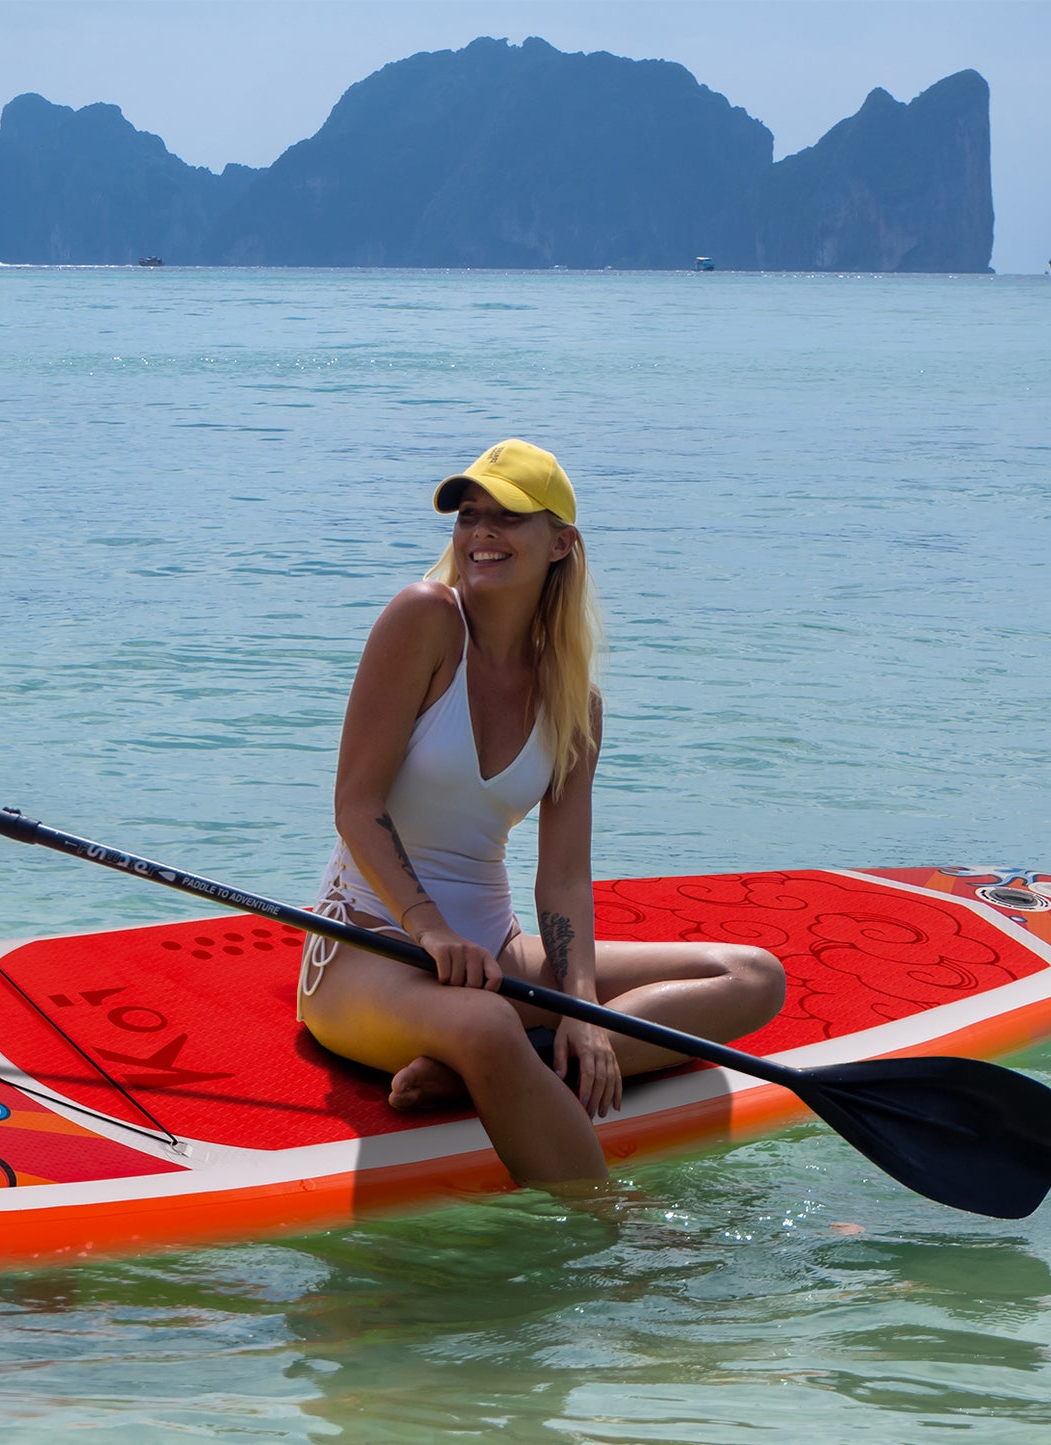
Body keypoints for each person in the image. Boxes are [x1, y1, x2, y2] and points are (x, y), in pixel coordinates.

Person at [297, 440, 785, 1192]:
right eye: (468, 516)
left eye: (507, 518)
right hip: (369, 946)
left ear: (560, 543)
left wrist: (585, 1012)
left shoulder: (574, 701)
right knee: (489, 1023)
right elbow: (354, 807)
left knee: (751, 975)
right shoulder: (423, 618)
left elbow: (561, 877)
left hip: (495, 952)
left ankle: (493, 1069)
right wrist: (427, 926)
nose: (479, 534)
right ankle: (608, 1236)